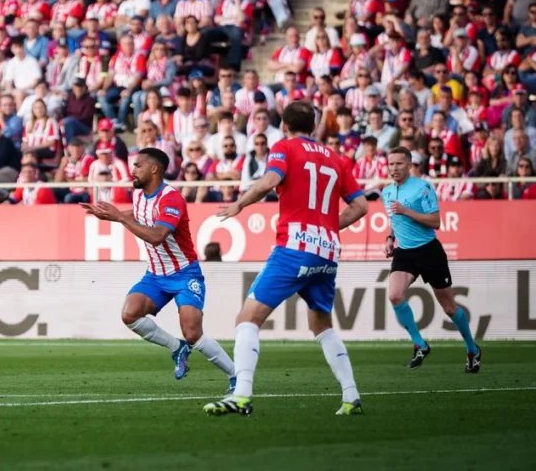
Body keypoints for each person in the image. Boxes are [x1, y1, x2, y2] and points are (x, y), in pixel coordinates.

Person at [204, 101, 369, 417]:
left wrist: (240, 204)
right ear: (312, 125)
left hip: (294, 247)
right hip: (328, 250)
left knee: (247, 319)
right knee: (322, 325)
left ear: (285, 126)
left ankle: (241, 394)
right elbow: (361, 206)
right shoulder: (337, 159)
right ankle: (351, 396)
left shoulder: (285, 147)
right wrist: (329, 225)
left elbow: (269, 181)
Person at [81, 148, 236, 386]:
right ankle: (177, 348)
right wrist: (109, 215)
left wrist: (120, 218)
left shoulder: (172, 198)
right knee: (130, 314)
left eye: (138, 166)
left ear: (154, 169)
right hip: (155, 275)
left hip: (184, 274)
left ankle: (236, 375)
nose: (133, 171)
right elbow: (139, 212)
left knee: (193, 333)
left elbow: (157, 236)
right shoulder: (141, 195)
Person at [382, 147, 481, 373]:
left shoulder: (423, 188)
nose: (394, 168)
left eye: (399, 164)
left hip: (429, 251)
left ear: (409, 165)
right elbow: (393, 219)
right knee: (395, 295)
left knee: (449, 308)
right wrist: (389, 238)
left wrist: (407, 211)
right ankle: (420, 344)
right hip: (405, 252)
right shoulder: (387, 192)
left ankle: (472, 349)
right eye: (390, 164)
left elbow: (435, 222)